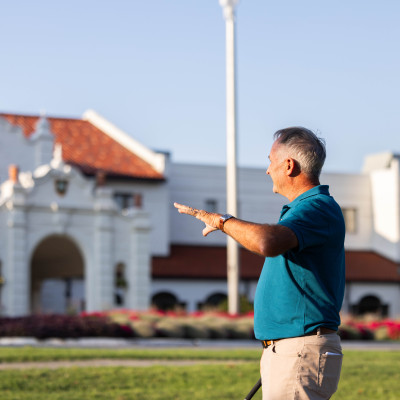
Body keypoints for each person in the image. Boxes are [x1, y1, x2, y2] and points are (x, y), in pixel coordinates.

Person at [174, 127, 345, 400]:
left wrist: (221, 221)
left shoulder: (317, 207)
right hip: (290, 349)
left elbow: (267, 242)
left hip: (298, 349)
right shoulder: (307, 208)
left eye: (269, 161)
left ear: (288, 165)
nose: (267, 170)